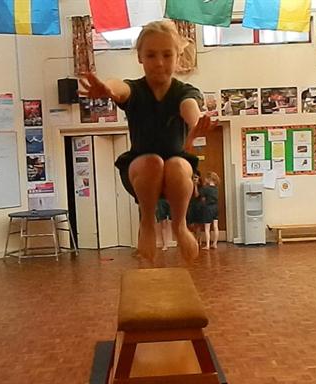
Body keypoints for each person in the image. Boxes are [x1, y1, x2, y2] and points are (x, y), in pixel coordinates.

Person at [78, 20, 214, 262]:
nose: (159, 62)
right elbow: (120, 87)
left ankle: (179, 224)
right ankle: (148, 222)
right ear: (140, 57)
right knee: (153, 162)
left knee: (176, 164)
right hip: (141, 170)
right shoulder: (136, 89)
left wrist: (196, 124)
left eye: (167, 55)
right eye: (151, 55)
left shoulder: (185, 92)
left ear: (178, 56)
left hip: (177, 174)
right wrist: (108, 89)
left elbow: (189, 107)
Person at [199, 171, 220, 250]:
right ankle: (215, 243)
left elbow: (203, 198)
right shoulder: (216, 189)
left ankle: (207, 245)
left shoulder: (205, 188)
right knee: (215, 226)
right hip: (215, 207)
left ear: (209, 179)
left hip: (208, 208)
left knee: (207, 227)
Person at [186, 170, 203, 245]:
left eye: (196, 177)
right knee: (190, 224)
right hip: (190, 206)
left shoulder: (201, 187)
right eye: (193, 177)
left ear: (199, 178)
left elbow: (196, 195)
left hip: (198, 206)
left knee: (198, 224)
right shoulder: (189, 185)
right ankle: (195, 237)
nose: (194, 179)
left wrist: (195, 185)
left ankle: (198, 240)